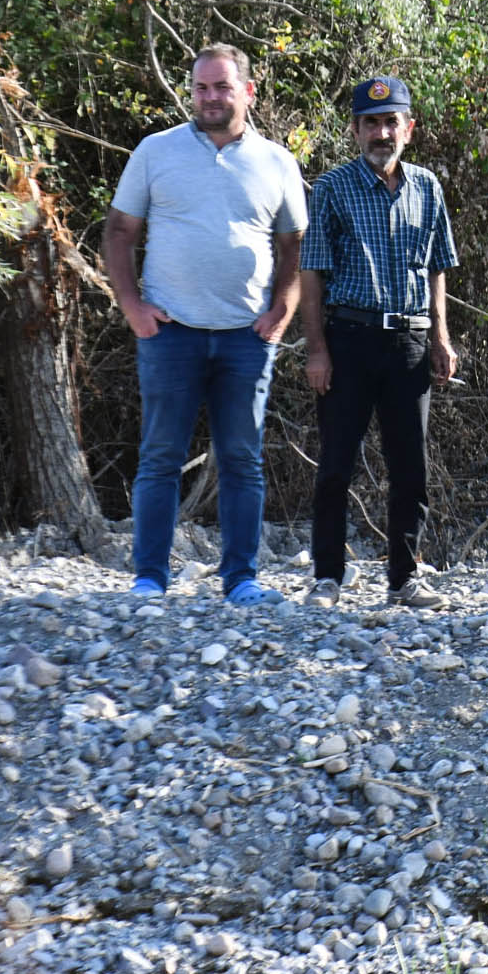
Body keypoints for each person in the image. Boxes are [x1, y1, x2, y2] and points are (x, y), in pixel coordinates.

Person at [103, 43, 306, 605]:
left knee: (242, 459)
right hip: (171, 333)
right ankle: (149, 578)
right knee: (160, 456)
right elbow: (119, 231)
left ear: (248, 92)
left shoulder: (277, 162)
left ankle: (241, 580)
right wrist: (131, 305)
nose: (210, 97)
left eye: (221, 87)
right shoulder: (155, 151)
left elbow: (293, 245)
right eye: (201, 88)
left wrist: (282, 310)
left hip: (247, 337)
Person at [299, 76, 461, 611]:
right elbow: (313, 274)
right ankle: (327, 576)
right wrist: (316, 349)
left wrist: (440, 336)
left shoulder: (428, 187)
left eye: (392, 121)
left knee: (410, 467)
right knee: (337, 463)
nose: (382, 132)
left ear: (408, 129)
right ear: (356, 130)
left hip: (410, 342)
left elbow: (438, 267)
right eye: (371, 123)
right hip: (348, 339)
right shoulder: (332, 189)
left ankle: (404, 577)